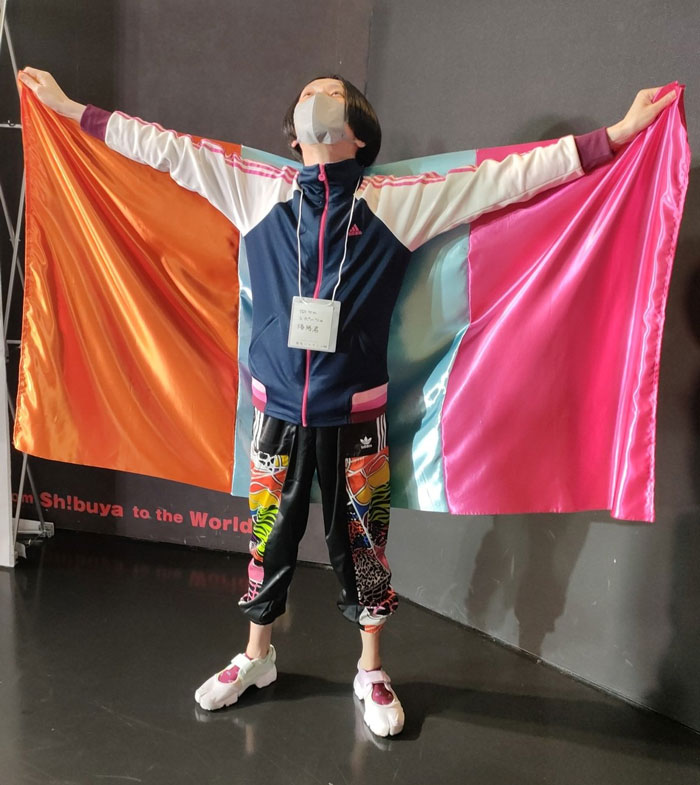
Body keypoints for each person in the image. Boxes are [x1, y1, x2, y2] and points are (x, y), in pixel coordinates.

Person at [17, 66, 675, 737]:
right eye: (306, 94)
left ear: (359, 133)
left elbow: (504, 179)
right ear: (294, 135)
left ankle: (371, 669)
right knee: (267, 537)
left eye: (330, 93)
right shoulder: (254, 187)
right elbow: (162, 147)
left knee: (363, 546)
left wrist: (615, 136)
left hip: (358, 414)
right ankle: (256, 656)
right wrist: (69, 108)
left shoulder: (395, 201)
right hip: (276, 412)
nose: (315, 98)